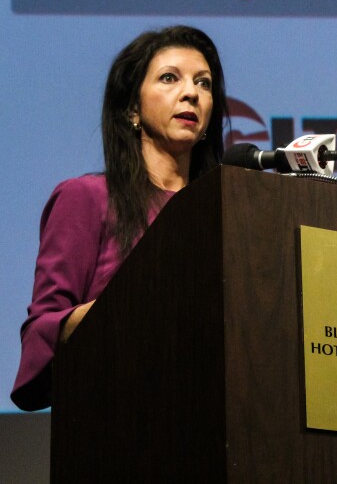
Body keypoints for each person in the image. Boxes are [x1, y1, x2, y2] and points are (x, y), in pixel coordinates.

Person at [11, 25, 229, 411]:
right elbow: (44, 327)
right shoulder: (87, 198)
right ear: (131, 109)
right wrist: (135, 308)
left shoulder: (225, 215)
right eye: (169, 78)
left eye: (204, 83)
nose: (192, 93)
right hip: (119, 418)